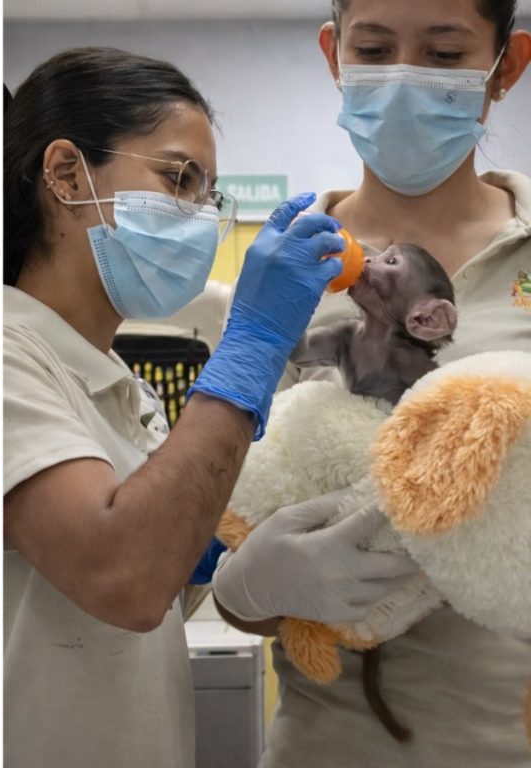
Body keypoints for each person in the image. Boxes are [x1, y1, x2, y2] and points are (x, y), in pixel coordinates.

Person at [2, 46, 417, 768]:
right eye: (177, 178)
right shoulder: (3, 359)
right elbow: (125, 579)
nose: (200, 213)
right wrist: (252, 346)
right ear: (67, 173)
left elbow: (157, 579)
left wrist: (236, 564)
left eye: (208, 190)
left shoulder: (124, 390)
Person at [213, 1, 531, 765]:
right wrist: (247, 591)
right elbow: (214, 509)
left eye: (445, 54)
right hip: (329, 746)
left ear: (506, 66)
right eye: (376, 48)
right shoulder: (281, 274)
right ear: (334, 55)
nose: (401, 79)